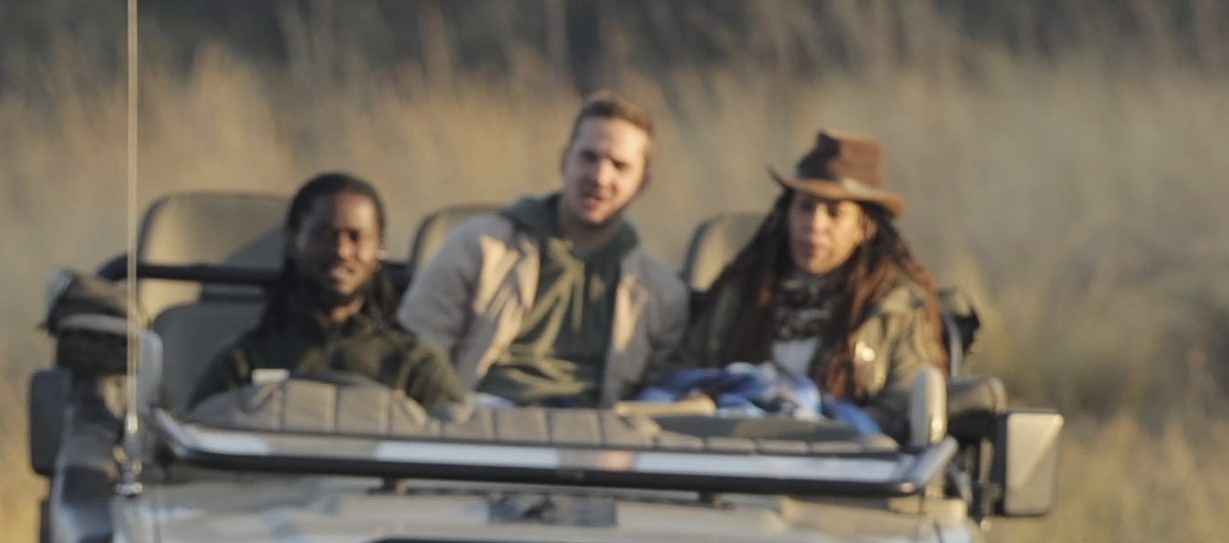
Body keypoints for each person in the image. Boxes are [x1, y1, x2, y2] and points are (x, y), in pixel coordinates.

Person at [398, 92, 688, 408]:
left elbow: (660, 403)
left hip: (597, 435)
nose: (600, 177)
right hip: (484, 422)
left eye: (619, 166)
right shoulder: (479, 247)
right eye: (589, 158)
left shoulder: (661, 294)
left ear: (641, 183)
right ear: (564, 161)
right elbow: (416, 351)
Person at [672, 129, 944, 438]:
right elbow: (683, 373)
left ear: (865, 227)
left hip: (845, 469)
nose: (814, 225)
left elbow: (903, 405)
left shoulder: (895, 309)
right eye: (805, 207)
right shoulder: (741, 290)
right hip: (732, 456)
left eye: (834, 213)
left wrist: (826, 429)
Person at [187, 173, 462, 411]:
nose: (342, 251)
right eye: (326, 235)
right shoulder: (244, 361)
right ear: (293, 241)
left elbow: (457, 452)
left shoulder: (416, 366)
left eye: (356, 237)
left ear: (379, 248)